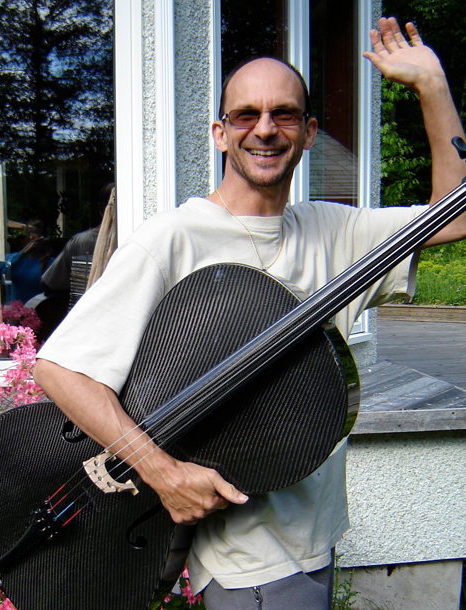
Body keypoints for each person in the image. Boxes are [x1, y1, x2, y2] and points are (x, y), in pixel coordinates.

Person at [33, 18, 466, 610]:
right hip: (246, 561)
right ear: (219, 132)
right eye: (246, 115)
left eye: (284, 114)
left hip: (315, 534)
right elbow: (61, 368)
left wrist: (432, 87)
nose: (265, 129)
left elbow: (457, 215)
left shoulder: (334, 229)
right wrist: (163, 474)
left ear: (310, 132)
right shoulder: (173, 239)